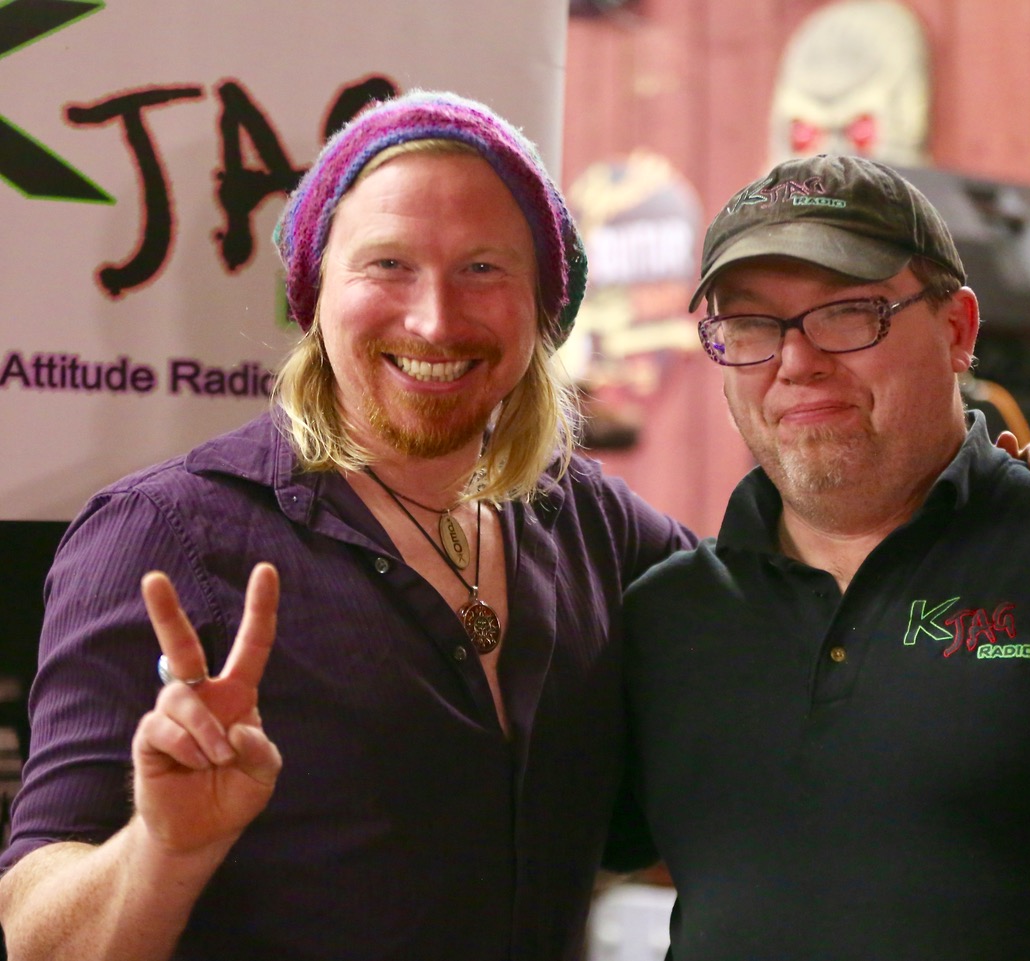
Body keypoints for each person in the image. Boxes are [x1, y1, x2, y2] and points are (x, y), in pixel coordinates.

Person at [0, 90, 696, 961]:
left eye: (483, 267)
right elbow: (32, 938)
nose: (435, 319)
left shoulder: (591, 521)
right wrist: (163, 849)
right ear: (314, 290)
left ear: (542, 306)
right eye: (388, 264)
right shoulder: (164, 534)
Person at [620, 155, 1030, 960]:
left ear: (957, 330)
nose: (796, 360)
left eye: (846, 312)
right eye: (750, 324)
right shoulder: (665, 614)